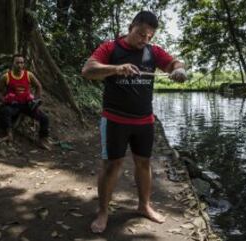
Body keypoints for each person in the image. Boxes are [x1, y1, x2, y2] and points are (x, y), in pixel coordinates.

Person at [81, 11, 187, 233]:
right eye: (140, 34)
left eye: (149, 36)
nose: (144, 40)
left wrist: (179, 69)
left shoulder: (153, 52)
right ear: (131, 27)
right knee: (112, 165)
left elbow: (175, 63)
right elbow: (88, 70)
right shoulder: (111, 48)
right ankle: (103, 212)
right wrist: (116, 69)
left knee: (144, 163)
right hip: (114, 119)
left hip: (144, 121)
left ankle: (144, 206)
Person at [0, 54, 51, 150]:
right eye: (17, 62)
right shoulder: (6, 76)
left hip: (27, 104)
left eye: (21, 62)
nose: (19, 65)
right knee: (5, 112)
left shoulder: (28, 75)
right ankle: (9, 135)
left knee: (44, 118)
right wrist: (4, 100)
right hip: (14, 105)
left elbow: (38, 86)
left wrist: (35, 100)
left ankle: (42, 140)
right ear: (12, 64)